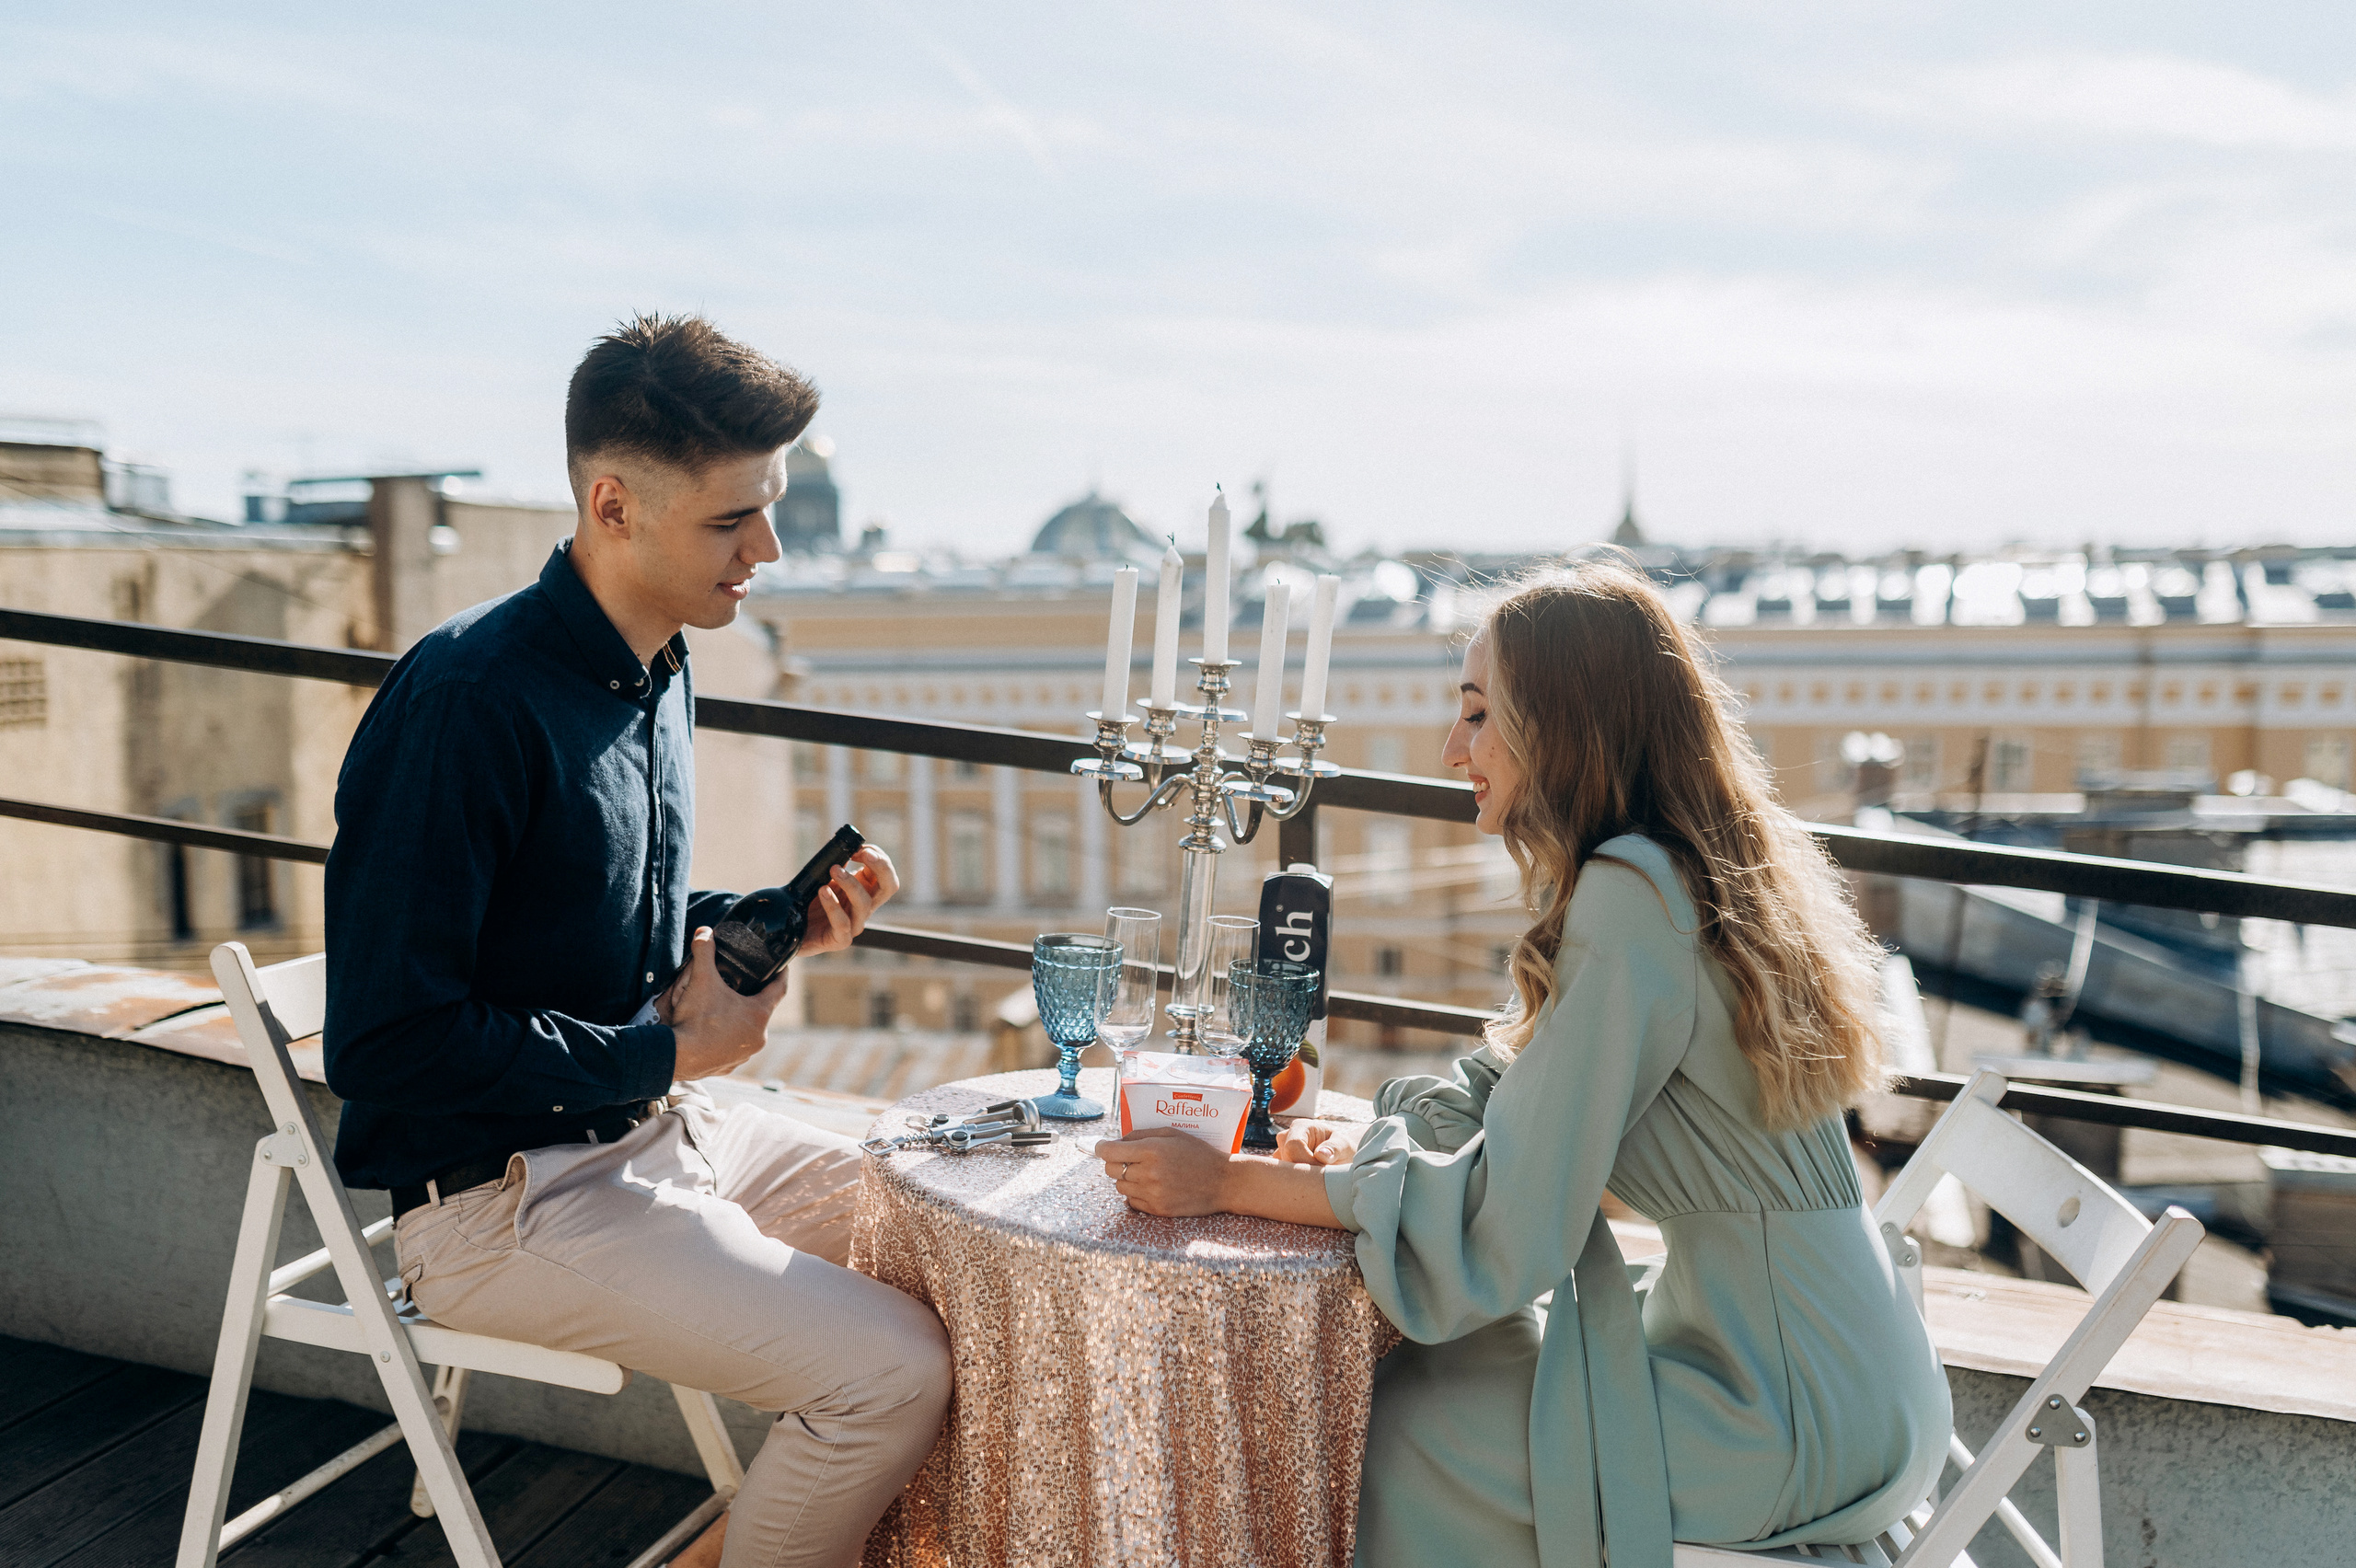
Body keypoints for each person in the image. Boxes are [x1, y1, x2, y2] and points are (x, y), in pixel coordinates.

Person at [1093, 561, 1951, 1568]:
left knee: (1405, 1422)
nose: (1452, 749)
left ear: (1564, 725)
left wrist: (1231, 1182)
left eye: (1477, 714)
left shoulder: (1631, 897)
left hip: (1775, 1411)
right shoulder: (1682, 866)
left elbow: (1513, 1223)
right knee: (1434, 1379)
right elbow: (1527, 1105)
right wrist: (1371, 1145)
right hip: (1848, 1369)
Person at [325, 314, 951, 1568]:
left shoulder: (657, 662)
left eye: (767, 510)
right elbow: (391, 1042)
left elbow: (607, 924)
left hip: (652, 1136)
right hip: (498, 1208)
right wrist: (662, 1061)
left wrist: (762, 929)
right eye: (735, 520)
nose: (768, 549)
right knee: (891, 1375)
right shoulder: (467, 707)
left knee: (960, 1236)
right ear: (613, 505)